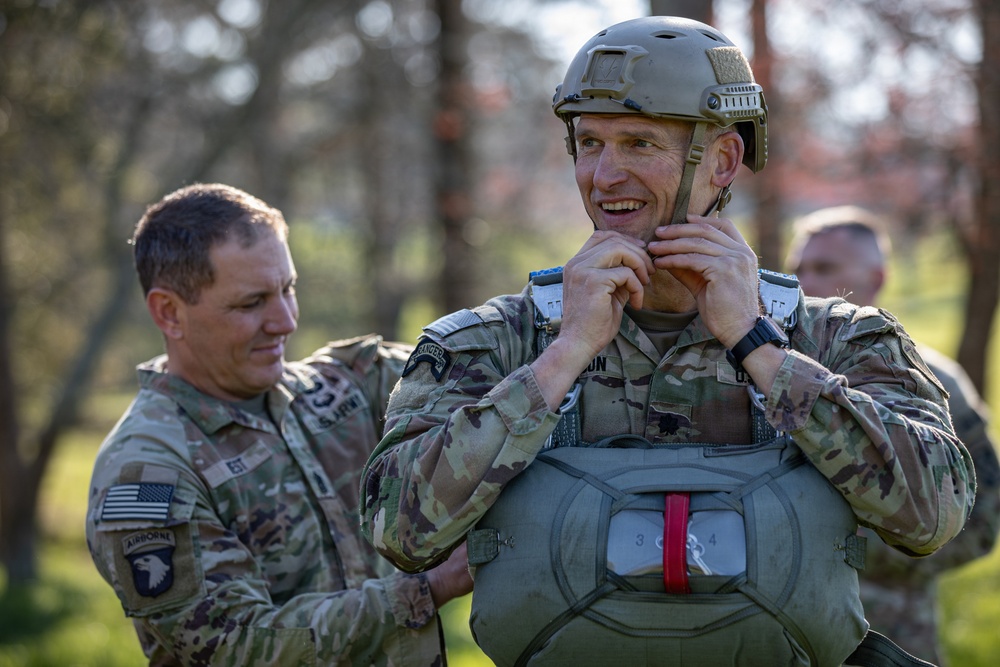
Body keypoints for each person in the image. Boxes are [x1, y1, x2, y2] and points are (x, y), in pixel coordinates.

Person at [360, 16, 973, 667]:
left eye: (639, 143)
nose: (604, 175)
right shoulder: (489, 342)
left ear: (723, 160)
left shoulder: (840, 338)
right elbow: (399, 529)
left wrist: (757, 344)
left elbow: (933, 514)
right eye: (589, 143)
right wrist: (562, 355)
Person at [84, 183, 472, 666]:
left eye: (288, 289)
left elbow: (480, 365)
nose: (285, 321)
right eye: (251, 303)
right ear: (170, 312)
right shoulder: (146, 474)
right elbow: (236, 645)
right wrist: (431, 587)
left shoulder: (342, 390)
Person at [785, 205, 1000, 664]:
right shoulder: (765, 369)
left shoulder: (929, 382)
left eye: (824, 267)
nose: (804, 282)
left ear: (876, 279)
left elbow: (982, 522)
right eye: (798, 268)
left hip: (892, 636)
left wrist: (843, 546)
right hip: (787, 636)